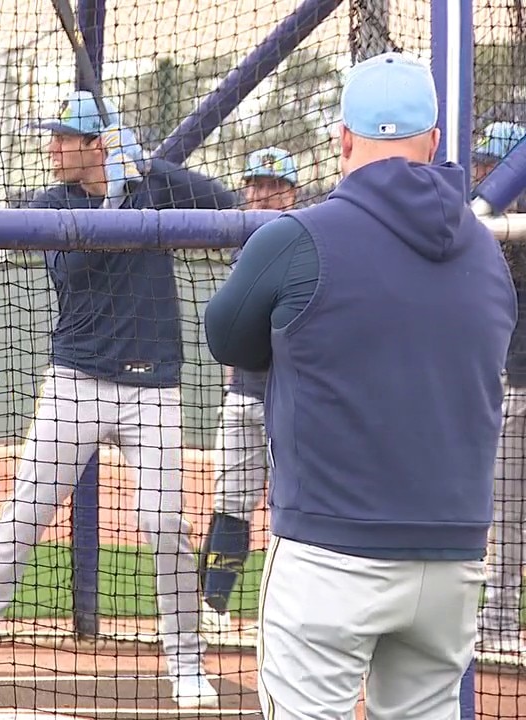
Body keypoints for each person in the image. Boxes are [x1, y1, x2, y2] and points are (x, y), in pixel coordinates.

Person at [204, 52, 516, 719]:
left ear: (344, 139)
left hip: (330, 551)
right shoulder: (487, 252)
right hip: (453, 560)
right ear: (433, 142)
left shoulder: (296, 238)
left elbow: (228, 341)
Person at [0, 89, 237, 710]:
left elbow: (225, 205)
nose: (52, 147)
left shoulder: (151, 187)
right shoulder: (52, 203)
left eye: (64, 138)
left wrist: (149, 166)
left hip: (154, 386)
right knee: (22, 519)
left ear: (96, 145)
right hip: (77, 383)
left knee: (165, 524)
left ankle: (185, 663)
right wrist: (118, 198)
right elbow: (71, 271)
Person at [198, 147, 301, 636]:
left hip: (291, 401)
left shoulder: (302, 240)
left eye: (273, 186)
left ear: (292, 194)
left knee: (293, 508)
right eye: (256, 185)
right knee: (231, 504)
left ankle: (287, 612)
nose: (263, 194)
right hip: (243, 396)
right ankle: (212, 603)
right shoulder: (244, 242)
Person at [474, 120, 526, 655]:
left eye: (493, 168)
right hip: (514, 387)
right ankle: (500, 619)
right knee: (506, 510)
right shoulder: (486, 230)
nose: (483, 176)